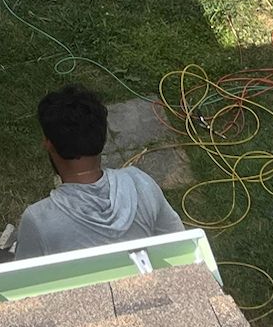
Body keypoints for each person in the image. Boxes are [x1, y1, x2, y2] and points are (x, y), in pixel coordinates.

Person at [14, 84, 185, 259]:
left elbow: (23, 274)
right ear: (102, 138)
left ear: (49, 145)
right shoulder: (141, 184)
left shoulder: (39, 221)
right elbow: (182, 248)